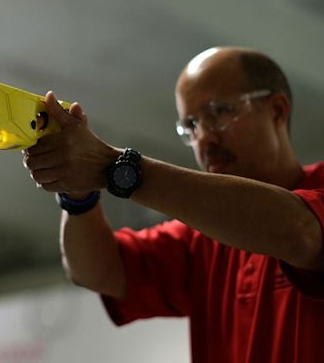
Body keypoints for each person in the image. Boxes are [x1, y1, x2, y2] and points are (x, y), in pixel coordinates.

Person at [23, 47, 324, 362]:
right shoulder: (200, 239)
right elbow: (99, 271)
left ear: (277, 110)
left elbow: (298, 231)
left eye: (220, 112)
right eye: (191, 126)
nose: (204, 138)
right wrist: (78, 196)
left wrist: (115, 167)